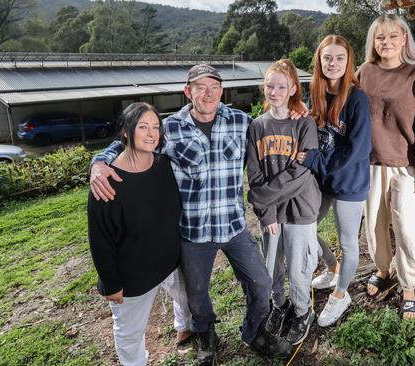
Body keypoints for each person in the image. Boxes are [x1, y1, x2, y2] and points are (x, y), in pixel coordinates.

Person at [89, 65, 293, 364]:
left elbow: (276, 126)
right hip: (193, 231)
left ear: (221, 91)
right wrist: (99, 162)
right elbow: (128, 140)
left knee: (261, 283)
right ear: (188, 92)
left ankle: (255, 332)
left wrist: (298, 112)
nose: (207, 92)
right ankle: (206, 335)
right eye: (200, 87)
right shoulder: (169, 128)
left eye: (213, 86)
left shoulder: (241, 122)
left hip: (234, 225)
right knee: (196, 294)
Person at [87, 102, 193, 366]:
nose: (151, 134)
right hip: (133, 275)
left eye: (156, 127)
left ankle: (184, 325)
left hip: (170, 262)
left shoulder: (164, 165)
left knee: (186, 298)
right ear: (125, 131)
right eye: (142, 127)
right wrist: (112, 283)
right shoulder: (107, 181)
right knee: (130, 334)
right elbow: (100, 240)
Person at [357, 14, 415, 319]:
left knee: (408, 227)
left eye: (393, 36)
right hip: (371, 162)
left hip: (408, 165)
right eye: (380, 38)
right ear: (373, 42)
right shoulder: (364, 73)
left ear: (404, 39)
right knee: (375, 225)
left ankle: (409, 286)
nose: (386, 43)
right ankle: (383, 269)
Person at [295, 35, 371, 327]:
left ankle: (341, 295)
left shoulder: (357, 99)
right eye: (328, 58)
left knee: (348, 242)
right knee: (305, 225)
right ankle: (331, 266)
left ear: (348, 61)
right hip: (322, 178)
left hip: (349, 180)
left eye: (340, 58)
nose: (333, 63)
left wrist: (315, 160)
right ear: (319, 61)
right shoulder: (314, 92)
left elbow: (358, 150)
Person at [246, 59, 320, 345]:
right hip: (270, 215)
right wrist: (268, 213)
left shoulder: (304, 124)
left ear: (292, 89)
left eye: (281, 86)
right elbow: (254, 173)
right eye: (269, 86)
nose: (274, 91)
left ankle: (303, 311)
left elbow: (301, 173)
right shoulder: (257, 126)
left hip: (300, 209)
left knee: (299, 267)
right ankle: (280, 305)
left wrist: (262, 198)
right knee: (273, 266)